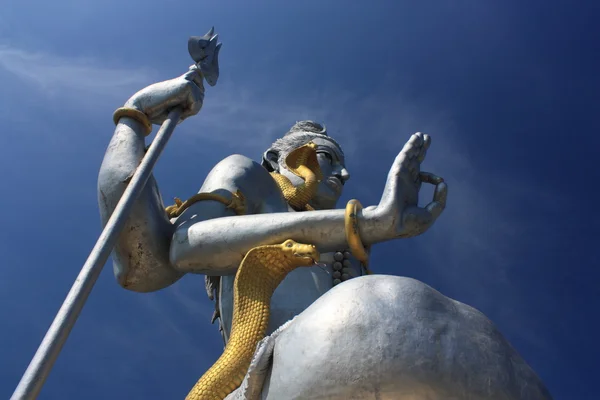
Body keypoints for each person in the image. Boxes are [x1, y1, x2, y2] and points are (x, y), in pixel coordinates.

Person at [98, 66, 552, 399]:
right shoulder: (247, 177)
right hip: (264, 373)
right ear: (284, 158)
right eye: (330, 159)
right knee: (383, 312)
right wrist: (135, 117)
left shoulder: (348, 250)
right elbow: (166, 254)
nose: (345, 172)